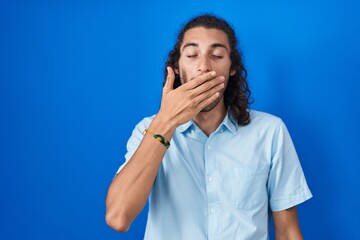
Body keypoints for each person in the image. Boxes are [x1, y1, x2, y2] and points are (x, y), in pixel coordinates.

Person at [105, 14, 312, 240]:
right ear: (176, 67)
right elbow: (118, 217)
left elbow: (288, 231)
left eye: (217, 55)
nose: (204, 66)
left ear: (232, 68)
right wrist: (166, 121)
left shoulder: (270, 131)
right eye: (192, 55)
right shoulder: (148, 129)